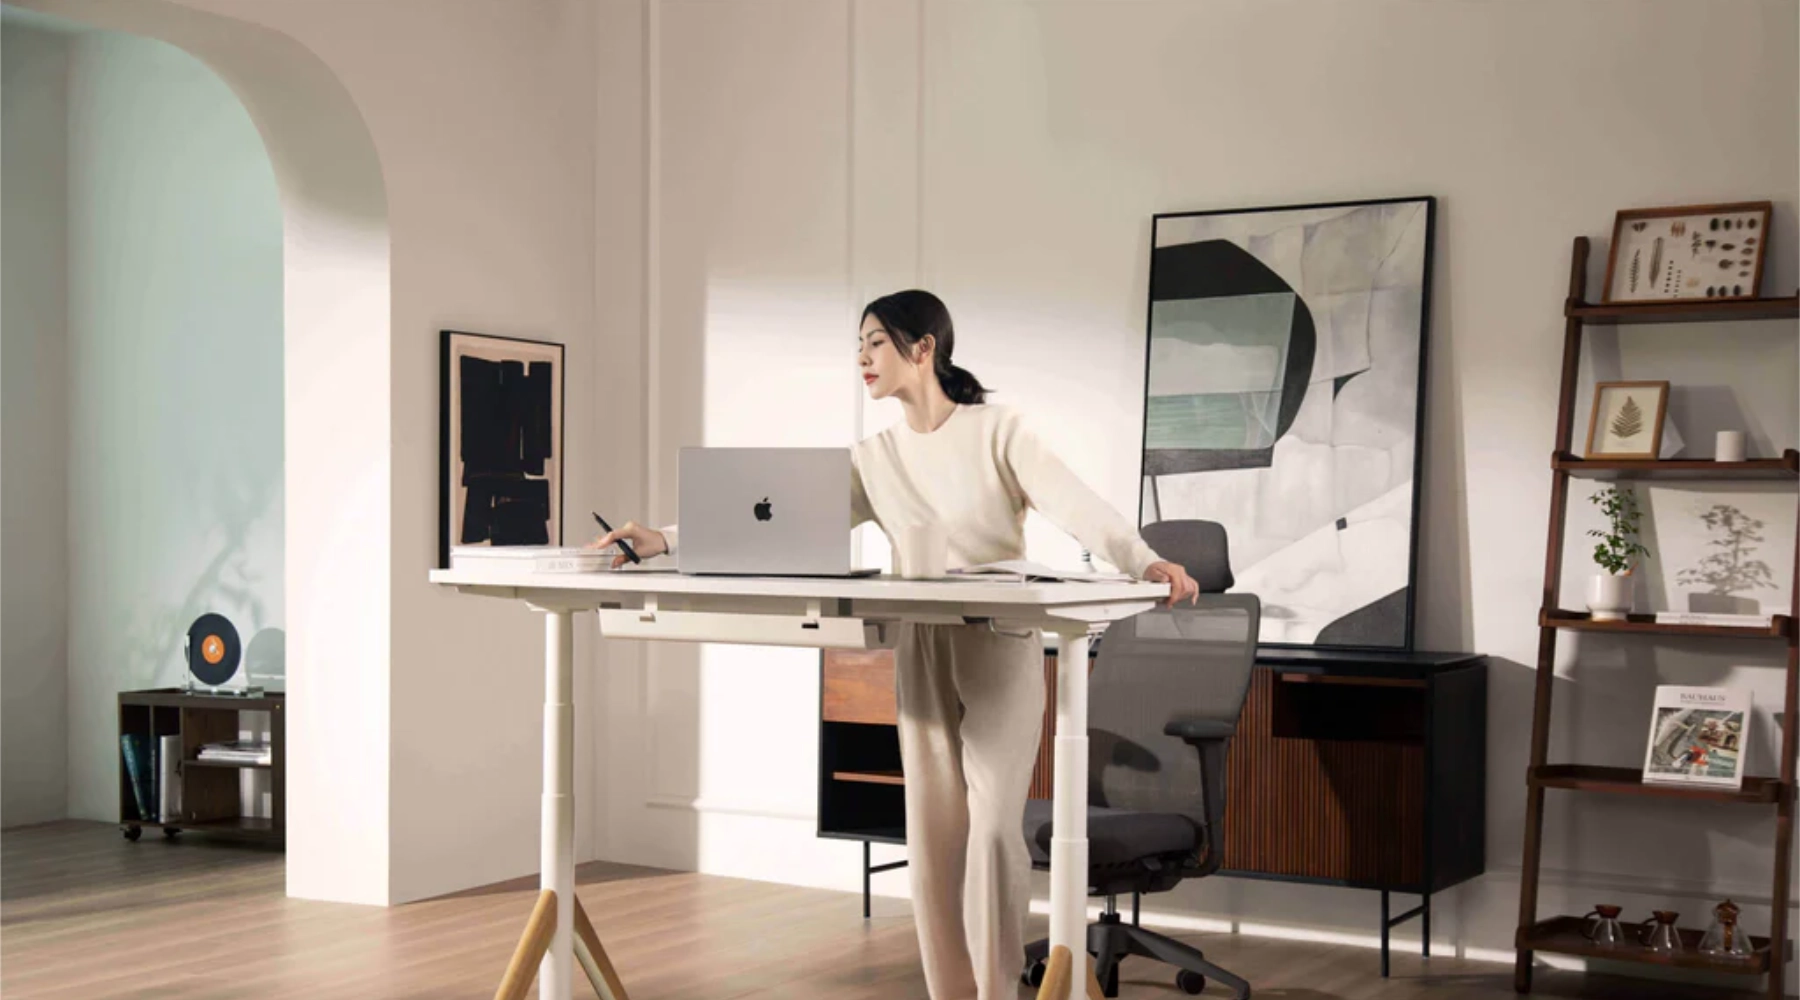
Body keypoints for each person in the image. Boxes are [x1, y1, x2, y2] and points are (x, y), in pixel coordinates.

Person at [593, 290, 1199, 1000]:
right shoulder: (873, 457)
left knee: (995, 832)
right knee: (935, 840)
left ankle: (1000, 986)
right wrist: (664, 539)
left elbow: (1075, 504)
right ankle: (950, 992)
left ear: (924, 348)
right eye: (858, 346)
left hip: (1000, 646)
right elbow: (773, 518)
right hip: (921, 648)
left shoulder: (998, 432)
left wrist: (1143, 559)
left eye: (875, 343)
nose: (862, 359)